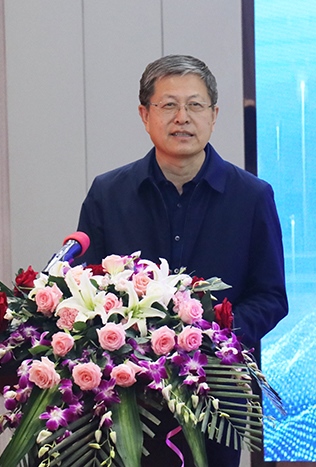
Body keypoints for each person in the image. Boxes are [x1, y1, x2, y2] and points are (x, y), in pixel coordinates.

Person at [77, 54, 288, 467]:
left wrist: (210, 338)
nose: (182, 118)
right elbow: (85, 289)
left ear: (214, 115)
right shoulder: (108, 194)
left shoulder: (252, 197)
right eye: (168, 105)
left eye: (195, 105)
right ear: (145, 115)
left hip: (218, 398)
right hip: (128, 396)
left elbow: (271, 296)